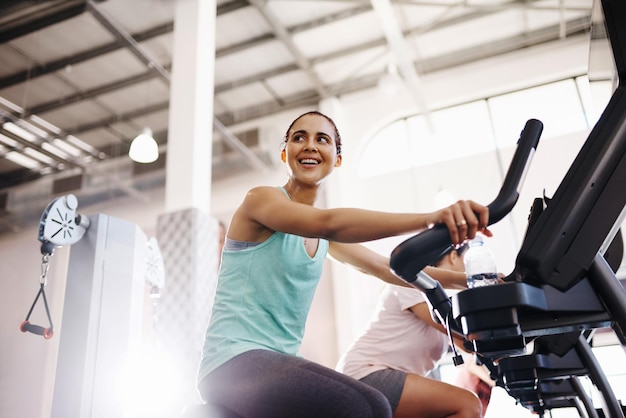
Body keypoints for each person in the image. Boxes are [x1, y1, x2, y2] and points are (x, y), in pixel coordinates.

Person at [196, 110, 492, 418]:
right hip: (232, 361)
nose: (310, 145)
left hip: (274, 364)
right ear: (285, 154)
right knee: (369, 405)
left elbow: (385, 267)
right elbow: (327, 222)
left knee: (373, 406)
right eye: (300, 138)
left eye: (322, 139)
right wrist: (431, 218)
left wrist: (473, 279)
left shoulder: (323, 236)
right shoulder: (260, 200)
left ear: (337, 159)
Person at [336, 244, 493, 418]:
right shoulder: (411, 284)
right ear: (453, 255)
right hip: (365, 372)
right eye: (467, 258)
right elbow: (459, 330)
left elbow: (470, 344)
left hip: (385, 374)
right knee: (468, 404)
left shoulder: (443, 306)